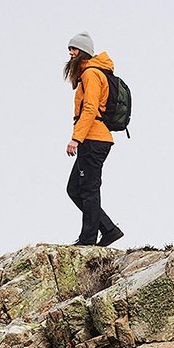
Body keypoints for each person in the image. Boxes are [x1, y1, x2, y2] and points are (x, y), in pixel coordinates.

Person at [64, 32, 123, 247]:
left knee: (88, 189)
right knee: (74, 189)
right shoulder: (88, 74)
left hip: (93, 139)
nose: (71, 53)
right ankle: (109, 229)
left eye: (75, 49)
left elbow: (89, 109)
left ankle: (88, 240)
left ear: (84, 52)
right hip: (92, 139)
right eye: (70, 49)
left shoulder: (91, 74)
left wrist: (76, 139)